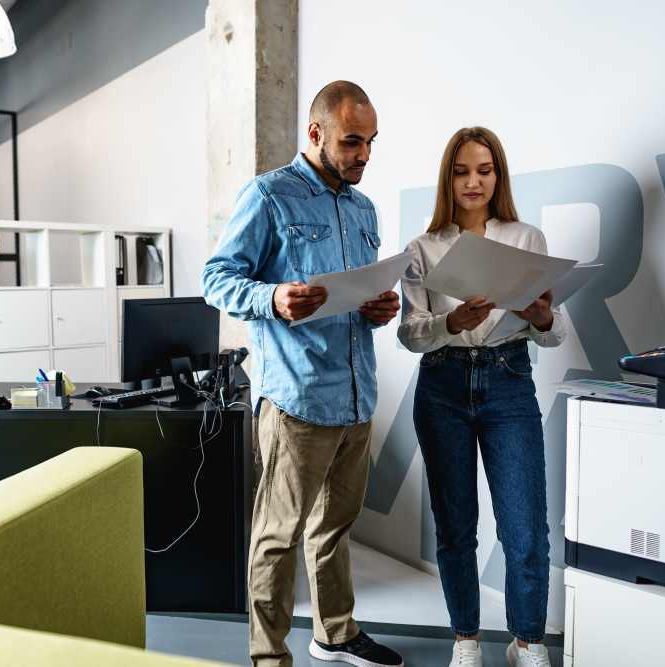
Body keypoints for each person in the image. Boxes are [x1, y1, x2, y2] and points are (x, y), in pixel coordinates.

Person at [203, 81, 403, 667]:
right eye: (351, 141)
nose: (363, 154)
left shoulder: (364, 209)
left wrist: (380, 310)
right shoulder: (269, 197)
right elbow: (217, 277)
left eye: (370, 142)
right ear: (315, 134)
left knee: (336, 529)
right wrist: (271, 299)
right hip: (298, 400)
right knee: (277, 536)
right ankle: (268, 657)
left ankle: (335, 633)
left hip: (358, 396)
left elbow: (360, 298)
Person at [398, 128, 566, 667]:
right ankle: (466, 639)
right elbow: (409, 332)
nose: (474, 182)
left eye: (485, 170)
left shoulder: (527, 238)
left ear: (499, 175)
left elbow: (552, 332)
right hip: (443, 385)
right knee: (456, 527)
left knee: (525, 527)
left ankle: (527, 641)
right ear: (448, 177)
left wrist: (543, 317)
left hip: (508, 379)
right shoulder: (422, 249)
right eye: (463, 170)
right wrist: (451, 320)